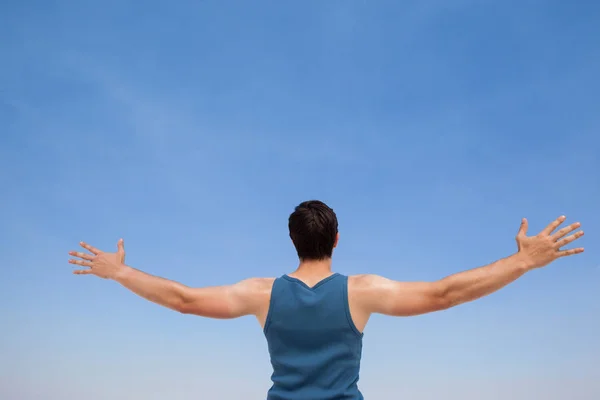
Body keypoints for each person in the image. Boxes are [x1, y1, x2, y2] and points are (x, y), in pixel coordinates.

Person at [68, 200, 584, 400]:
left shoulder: (261, 294)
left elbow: (181, 300)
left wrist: (120, 272)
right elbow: (445, 294)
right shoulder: (361, 292)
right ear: (337, 240)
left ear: (292, 241)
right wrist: (523, 261)